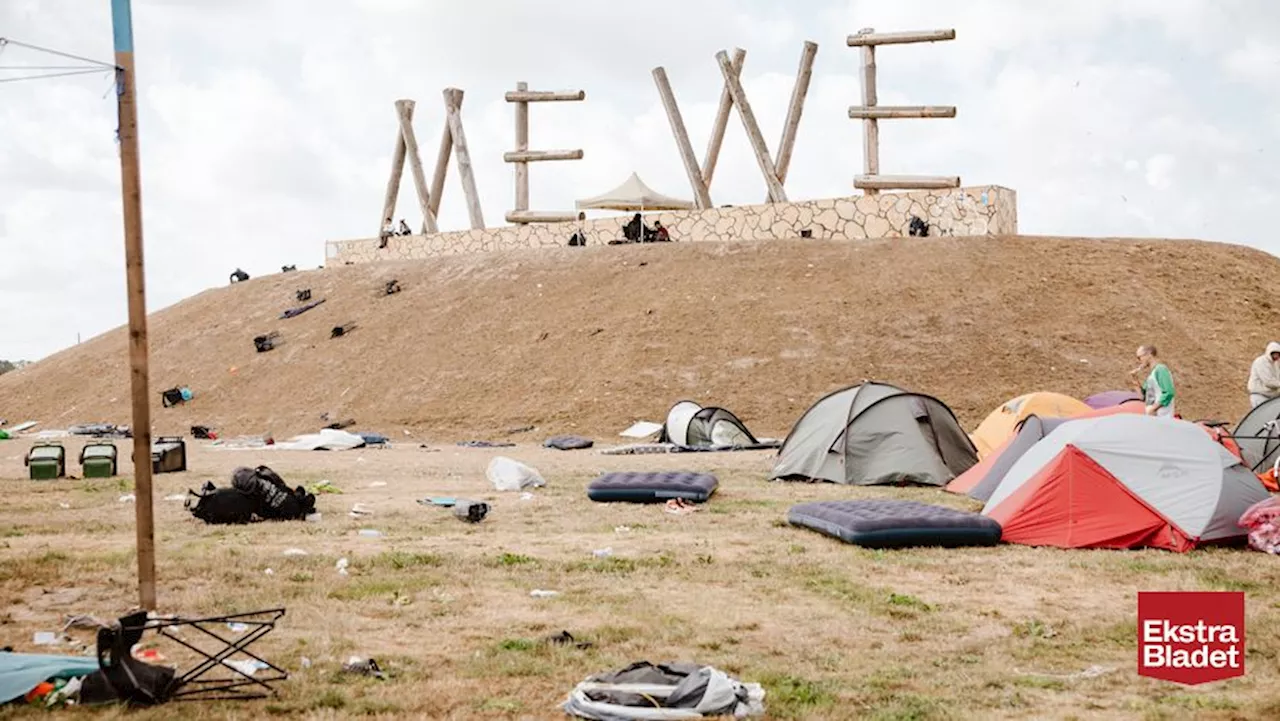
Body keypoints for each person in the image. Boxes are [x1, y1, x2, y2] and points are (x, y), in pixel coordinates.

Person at [1131, 344, 1175, 418]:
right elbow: (1142, 396)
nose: (1139, 361)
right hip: (1154, 418)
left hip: (1163, 417)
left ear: (1149, 354)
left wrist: (1153, 408)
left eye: (1139, 357)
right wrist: (1134, 378)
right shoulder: (1151, 376)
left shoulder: (1161, 370)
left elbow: (1169, 393)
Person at [1248, 342, 1280, 408]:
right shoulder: (1261, 362)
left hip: (1270, 398)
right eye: (1276, 353)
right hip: (1260, 396)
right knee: (1262, 417)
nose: (1277, 356)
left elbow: (1277, 379)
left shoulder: (1275, 364)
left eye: (1279, 354)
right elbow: (1268, 381)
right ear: (1270, 352)